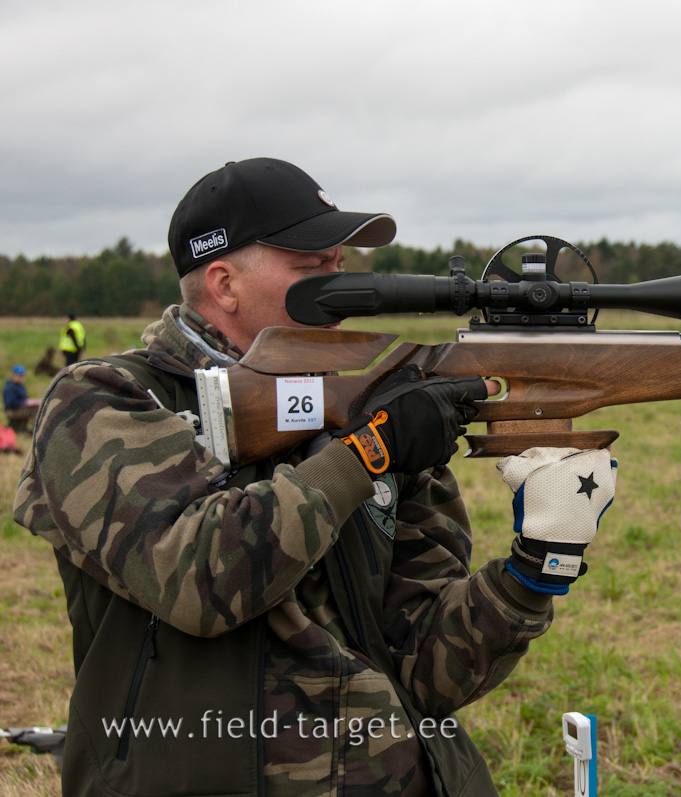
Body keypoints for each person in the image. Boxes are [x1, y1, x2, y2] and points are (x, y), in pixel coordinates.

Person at [13, 157, 617, 796]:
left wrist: (535, 567)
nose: (342, 286)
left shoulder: (371, 404)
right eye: (311, 268)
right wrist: (367, 452)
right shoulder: (105, 400)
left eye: (341, 264)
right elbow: (197, 576)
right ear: (224, 284)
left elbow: (426, 674)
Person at [3, 364, 40, 433]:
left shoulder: (20, 386)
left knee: (36, 406)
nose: (21, 377)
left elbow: (24, 398)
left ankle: (22, 428)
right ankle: (36, 431)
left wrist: (30, 402)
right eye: (19, 375)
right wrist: (25, 403)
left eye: (23, 375)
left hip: (19, 408)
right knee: (35, 409)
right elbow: (10, 403)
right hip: (12, 411)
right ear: (14, 375)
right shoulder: (9, 387)